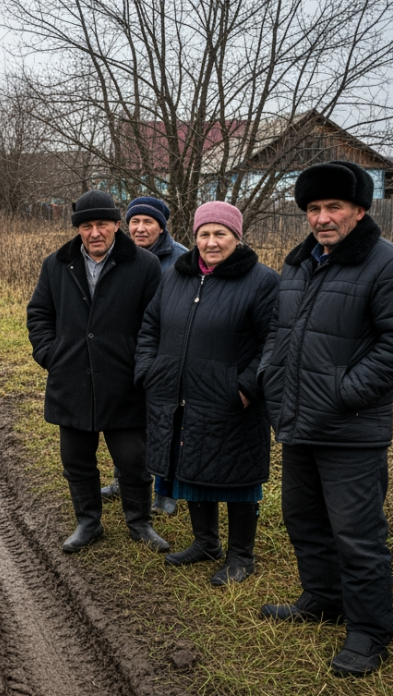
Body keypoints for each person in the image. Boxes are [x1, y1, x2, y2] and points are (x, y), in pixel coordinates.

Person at [258, 161, 393, 677]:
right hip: (298, 421)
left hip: (350, 428)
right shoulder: (300, 263)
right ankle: (322, 600)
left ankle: (369, 632)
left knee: (357, 535)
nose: (322, 217)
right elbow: (279, 331)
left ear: (359, 210)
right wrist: (271, 375)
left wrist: (343, 392)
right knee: (304, 521)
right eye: (313, 208)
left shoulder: (389, 264)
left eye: (333, 207)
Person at [136, 202, 278, 585]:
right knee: (192, 466)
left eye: (220, 234)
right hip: (178, 393)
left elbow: (275, 342)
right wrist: (149, 370)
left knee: (238, 476)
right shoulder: (176, 276)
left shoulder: (262, 280)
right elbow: (150, 325)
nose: (211, 242)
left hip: (233, 400)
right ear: (194, 236)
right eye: (204, 234)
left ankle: (241, 556)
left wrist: (247, 387)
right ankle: (206, 542)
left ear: (237, 236)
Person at [27, 190, 169, 553]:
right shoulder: (56, 264)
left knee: (134, 462)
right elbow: (39, 314)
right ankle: (88, 523)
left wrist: (142, 365)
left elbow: (157, 323)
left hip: (125, 383)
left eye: (102, 225)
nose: (94, 233)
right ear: (78, 229)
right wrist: (51, 354)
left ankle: (139, 524)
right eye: (86, 226)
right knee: (76, 460)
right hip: (71, 380)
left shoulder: (143, 265)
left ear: (116, 225)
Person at [104, 196, 190, 516]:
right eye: (134, 222)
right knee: (123, 421)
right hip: (125, 354)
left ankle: (166, 493)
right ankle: (123, 479)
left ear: (162, 226)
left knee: (166, 424)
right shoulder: (117, 255)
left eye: (148, 222)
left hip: (165, 355)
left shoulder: (180, 259)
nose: (140, 228)